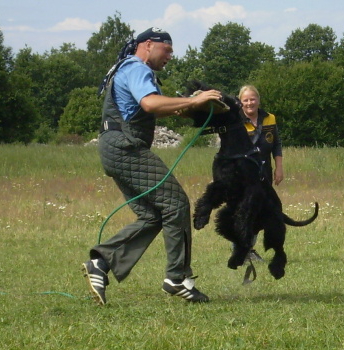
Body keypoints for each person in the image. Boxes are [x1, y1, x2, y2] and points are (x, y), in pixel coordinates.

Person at [82, 27, 222, 305]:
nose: (170, 55)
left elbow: (153, 105)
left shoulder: (132, 69)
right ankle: (178, 277)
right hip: (126, 148)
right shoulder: (137, 68)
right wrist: (195, 99)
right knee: (176, 203)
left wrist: (186, 107)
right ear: (148, 44)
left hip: (115, 148)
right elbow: (149, 103)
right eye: (167, 50)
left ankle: (101, 262)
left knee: (152, 215)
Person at [238, 85, 283, 262]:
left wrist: (279, 168)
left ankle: (248, 248)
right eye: (246, 100)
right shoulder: (236, 120)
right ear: (240, 102)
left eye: (252, 99)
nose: (250, 103)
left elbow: (276, 144)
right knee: (244, 213)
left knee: (259, 212)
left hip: (264, 174)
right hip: (243, 175)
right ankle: (242, 250)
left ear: (258, 100)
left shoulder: (269, 118)